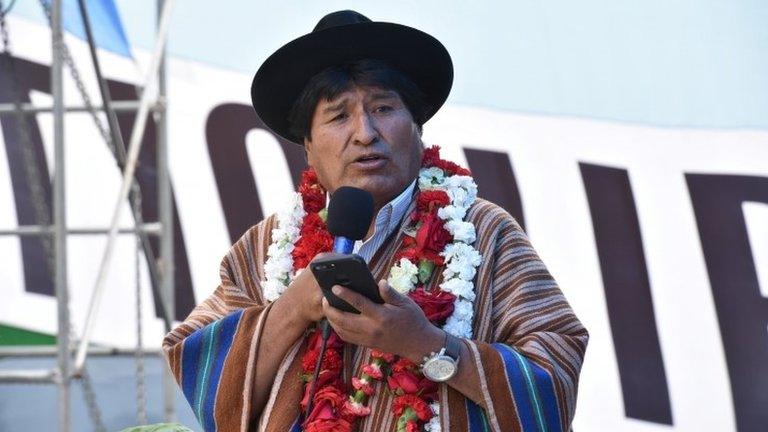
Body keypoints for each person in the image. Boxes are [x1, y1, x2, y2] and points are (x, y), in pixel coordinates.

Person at [163, 10, 588, 432]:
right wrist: (293, 307)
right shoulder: (266, 246)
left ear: (418, 129)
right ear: (308, 148)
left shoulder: (483, 233)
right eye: (339, 115)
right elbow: (199, 372)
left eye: (383, 108)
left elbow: (553, 374)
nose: (365, 133)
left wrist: (425, 344)